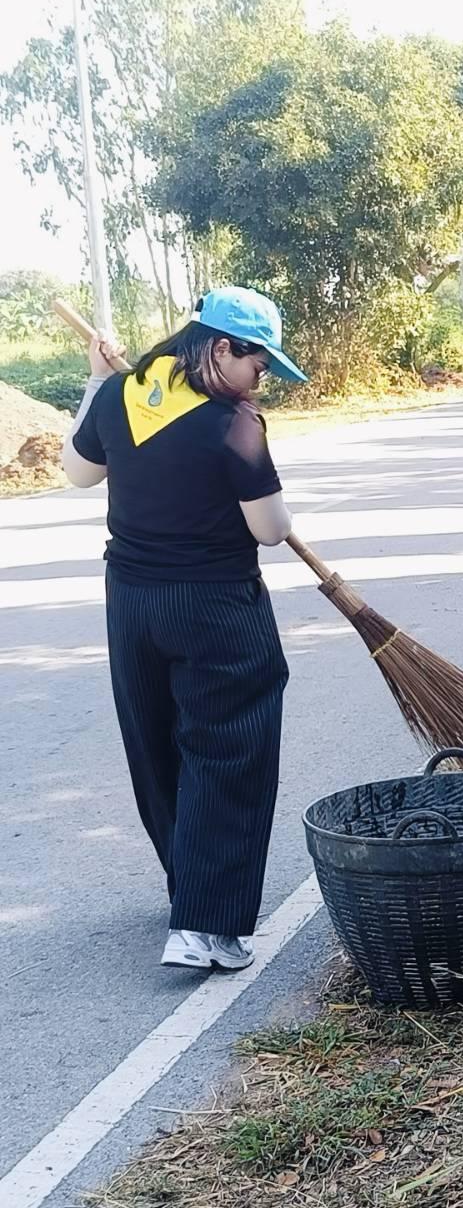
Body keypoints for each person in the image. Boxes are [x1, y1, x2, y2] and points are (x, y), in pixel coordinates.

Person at [61, 286, 307, 971]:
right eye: (259, 363)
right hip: (214, 607)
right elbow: (271, 530)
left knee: (159, 744)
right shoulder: (232, 422)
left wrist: (97, 381)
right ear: (222, 348)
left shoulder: (123, 395)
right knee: (230, 749)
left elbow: (78, 472)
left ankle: (189, 891)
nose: (261, 378)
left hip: (132, 603)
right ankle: (205, 927)